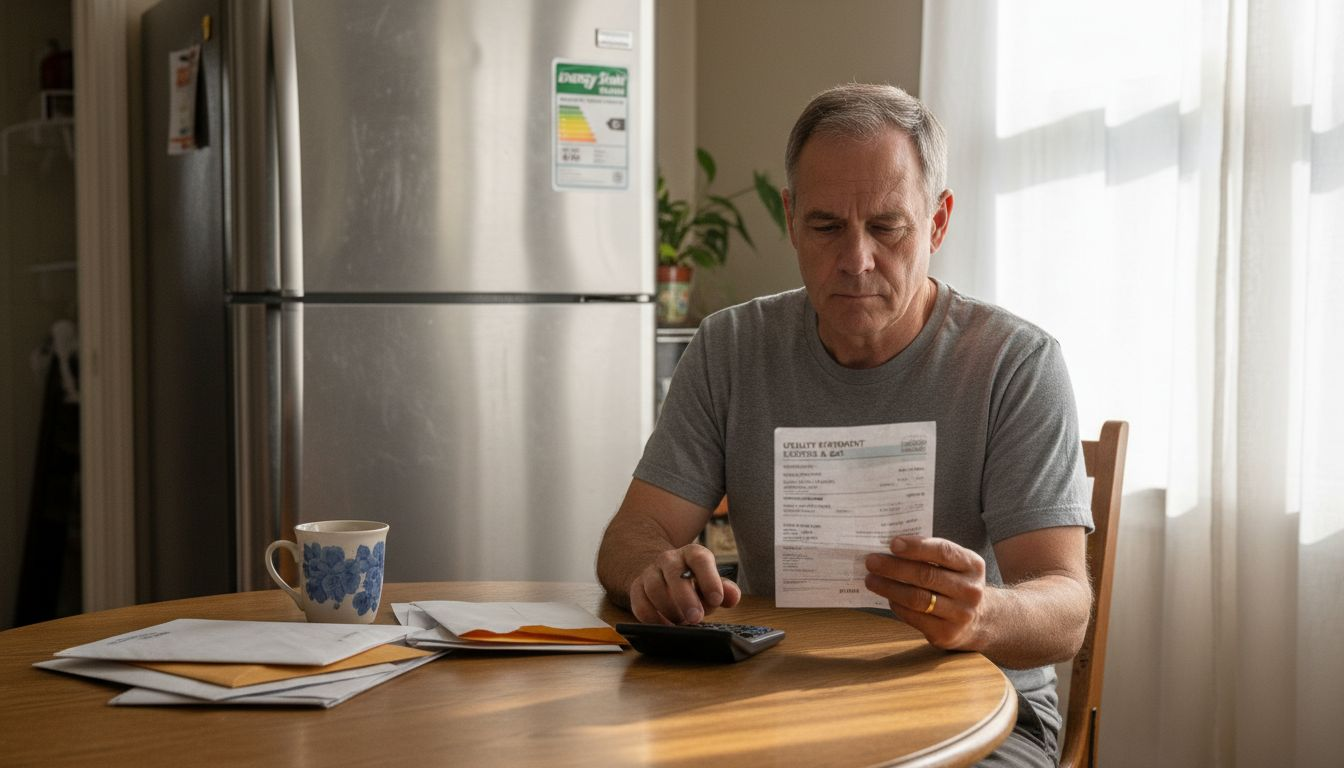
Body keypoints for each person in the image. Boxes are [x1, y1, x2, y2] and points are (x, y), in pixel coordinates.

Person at [597, 83, 1093, 767]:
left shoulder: (1015, 362)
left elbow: (1066, 608)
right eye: (827, 226)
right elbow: (631, 536)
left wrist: (982, 613)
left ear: (939, 222)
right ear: (790, 217)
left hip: (985, 712)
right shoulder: (730, 347)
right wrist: (654, 573)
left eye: (888, 227)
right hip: (779, 697)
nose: (856, 260)